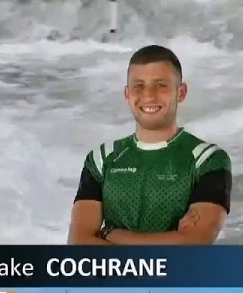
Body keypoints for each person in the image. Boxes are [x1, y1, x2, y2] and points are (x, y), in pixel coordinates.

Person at [67, 45, 233, 245]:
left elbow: (194, 245)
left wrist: (110, 234)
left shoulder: (207, 159)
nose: (148, 96)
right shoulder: (101, 159)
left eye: (160, 85)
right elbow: (79, 244)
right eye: (139, 85)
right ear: (127, 94)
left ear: (181, 92)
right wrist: (172, 240)